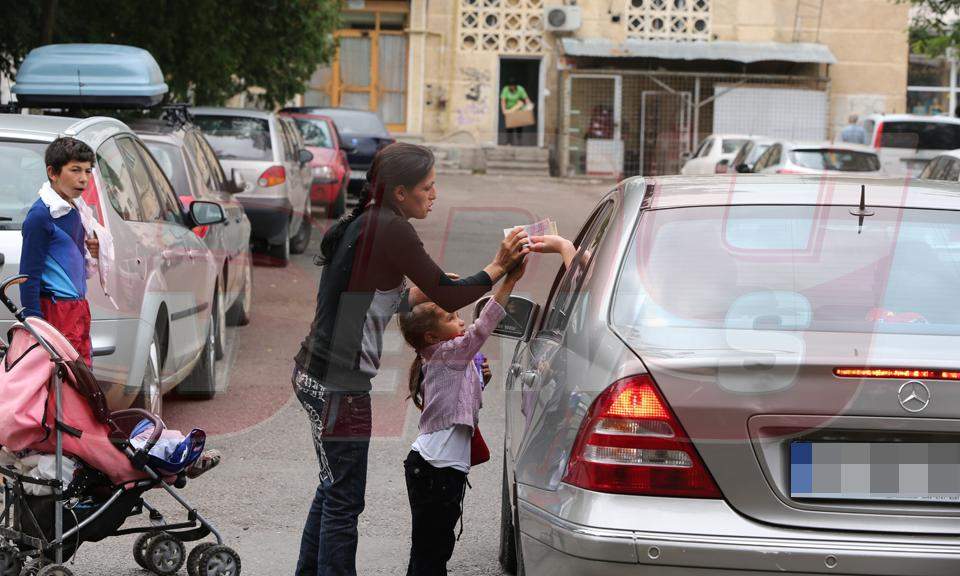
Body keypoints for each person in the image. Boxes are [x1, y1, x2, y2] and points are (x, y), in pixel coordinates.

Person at [293, 142, 529, 576]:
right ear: (400, 192)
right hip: (340, 386)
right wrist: (497, 267)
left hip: (312, 375)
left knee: (332, 490)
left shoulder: (363, 222)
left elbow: (364, 302)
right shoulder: (392, 229)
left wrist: (415, 295)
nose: (434, 194)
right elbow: (451, 295)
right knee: (345, 499)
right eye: (427, 187)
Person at [397, 258, 525, 576]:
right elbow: (483, 328)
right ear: (431, 336)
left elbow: (462, 399)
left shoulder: (445, 357)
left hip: (437, 471)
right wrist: (509, 282)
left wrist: (481, 378)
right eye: (452, 318)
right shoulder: (447, 353)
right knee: (432, 552)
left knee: (431, 548)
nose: (461, 322)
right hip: (435, 472)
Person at [20, 137, 100, 366]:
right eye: (75, 170)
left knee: (82, 375)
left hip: (78, 308)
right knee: (62, 378)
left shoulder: (75, 209)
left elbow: (71, 257)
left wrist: (91, 249)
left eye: (87, 170)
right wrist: (34, 323)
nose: (83, 178)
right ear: (53, 173)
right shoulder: (41, 216)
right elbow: (29, 276)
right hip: (56, 312)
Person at [500, 78, 533, 146]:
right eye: (510, 86)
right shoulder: (505, 89)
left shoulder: (520, 89)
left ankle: (519, 141)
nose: (511, 87)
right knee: (509, 127)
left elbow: (526, 99)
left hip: (518, 109)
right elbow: (503, 101)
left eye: (512, 86)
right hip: (509, 110)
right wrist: (503, 110)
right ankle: (509, 142)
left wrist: (529, 106)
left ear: (515, 86)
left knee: (519, 127)